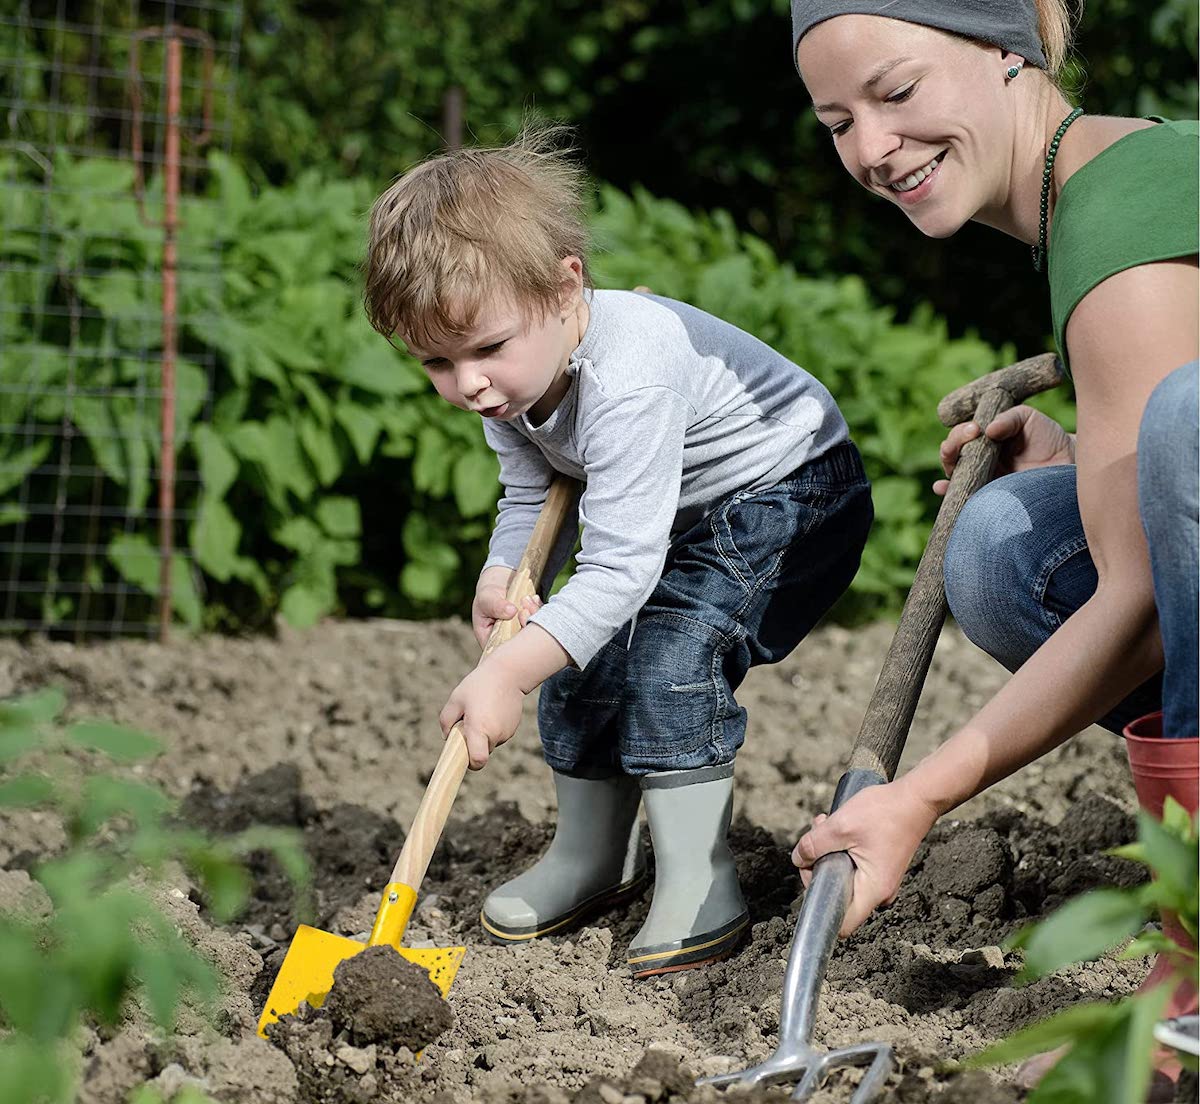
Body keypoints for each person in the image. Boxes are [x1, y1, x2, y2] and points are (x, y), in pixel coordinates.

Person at [787, 0, 1199, 1081]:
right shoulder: (1093, 188)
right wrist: (1090, 449)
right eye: (836, 122)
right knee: (1006, 546)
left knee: (1188, 422)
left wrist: (914, 799)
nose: (870, 150)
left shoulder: (1117, 222)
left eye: (897, 92)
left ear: (1007, 49)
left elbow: (1141, 594)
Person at [362, 127, 873, 976]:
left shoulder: (627, 378)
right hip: (678, 507)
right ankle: (592, 856)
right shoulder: (516, 385)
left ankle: (699, 878)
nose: (469, 385)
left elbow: (621, 569)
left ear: (567, 288)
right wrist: (504, 572)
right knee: (578, 652)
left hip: (791, 492)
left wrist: (504, 673)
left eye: (487, 349)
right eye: (436, 364)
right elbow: (533, 493)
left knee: (667, 655)